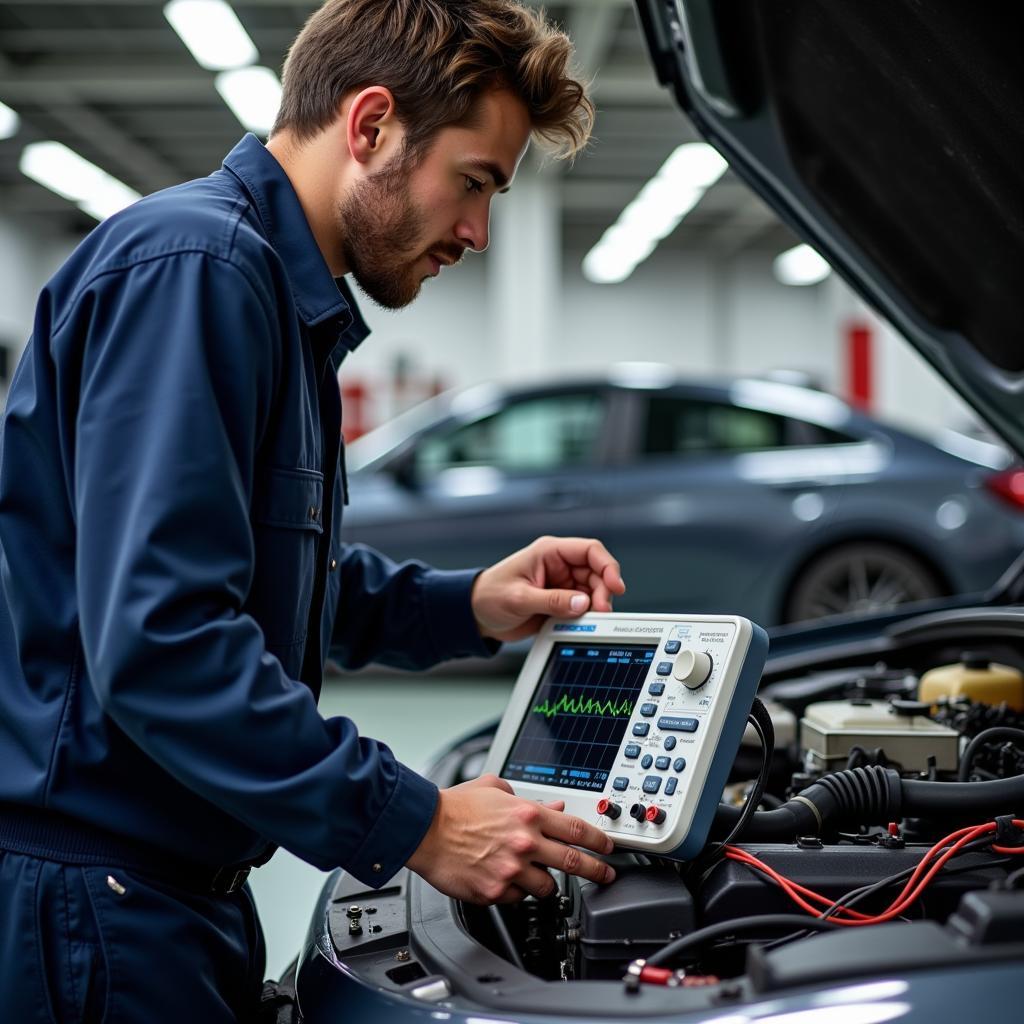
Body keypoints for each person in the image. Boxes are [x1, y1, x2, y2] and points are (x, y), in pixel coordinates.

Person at [0, 1, 627, 1020]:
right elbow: (166, 643)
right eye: (472, 182)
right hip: (99, 909)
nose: (475, 231)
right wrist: (416, 821)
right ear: (371, 124)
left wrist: (468, 601)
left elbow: (268, 585)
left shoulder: (277, 300)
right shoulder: (196, 272)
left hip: (162, 896)